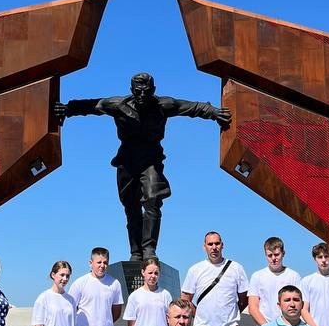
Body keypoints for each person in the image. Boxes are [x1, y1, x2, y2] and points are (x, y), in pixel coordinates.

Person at [54, 74, 230, 259]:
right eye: (138, 91)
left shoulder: (163, 105)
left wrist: (213, 112)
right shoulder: (117, 105)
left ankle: (149, 249)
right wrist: (67, 109)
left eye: (146, 91)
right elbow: (93, 105)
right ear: (132, 90)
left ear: (153, 90)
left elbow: (191, 107)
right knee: (131, 207)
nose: (142, 95)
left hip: (151, 159)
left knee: (153, 200)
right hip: (127, 159)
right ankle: (136, 252)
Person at [248, 236, 303, 326]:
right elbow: (252, 307)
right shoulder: (257, 276)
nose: (273, 258)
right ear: (266, 255)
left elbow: (299, 304)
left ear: (283, 253)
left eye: (277, 254)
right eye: (270, 255)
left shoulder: (294, 276)